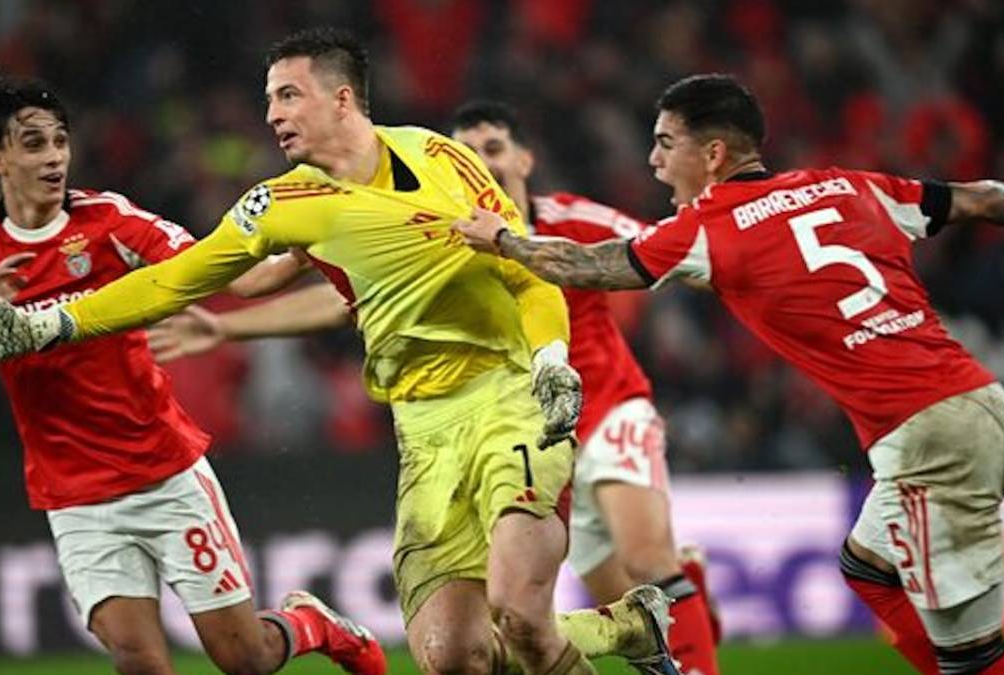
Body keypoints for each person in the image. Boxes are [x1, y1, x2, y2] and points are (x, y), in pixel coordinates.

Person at [0, 30, 679, 675]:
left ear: (341, 98)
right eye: (269, 98)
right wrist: (49, 325)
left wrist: (550, 358)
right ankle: (619, 628)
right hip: (422, 428)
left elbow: (526, 272)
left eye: (288, 95)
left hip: (510, 398)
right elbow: (172, 281)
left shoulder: (445, 158)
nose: (272, 113)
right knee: (452, 655)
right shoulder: (284, 204)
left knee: (517, 608)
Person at [454, 73, 1004, 675]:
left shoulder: (710, 227)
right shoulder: (846, 184)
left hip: (929, 439)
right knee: (867, 569)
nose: (652, 161)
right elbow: (985, 198)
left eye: (665, 143)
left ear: (712, 154)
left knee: (977, 661)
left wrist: (503, 241)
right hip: (974, 399)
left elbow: (586, 265)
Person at [146, 100, 722, 675]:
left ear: (525, 158)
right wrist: (223, 322)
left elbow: (664, 251)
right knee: (490, 641)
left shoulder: (571, 219)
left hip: (603, 408)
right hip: (478, 425)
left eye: (493, 149)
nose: (481, 163)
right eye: (469, 152)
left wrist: (734, 265)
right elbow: (342, 298)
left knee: (643, 559)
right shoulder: (437, 225)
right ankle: (628, 625)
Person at [0, 75, 385, 675]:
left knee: (243, 658)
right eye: (34, 144)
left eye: (60, 142)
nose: (54, 158)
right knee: (139, 662)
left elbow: (235, 278)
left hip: (162, 472)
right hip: (73, 493)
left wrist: (310, 242)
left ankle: (312, 623)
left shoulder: (110, 221)